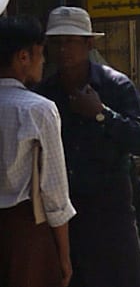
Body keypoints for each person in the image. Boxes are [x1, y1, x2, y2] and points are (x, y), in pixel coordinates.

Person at [37, 7, 140, 287]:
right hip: (66, 214)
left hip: (111, 208)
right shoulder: (44, 94)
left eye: (70, 41)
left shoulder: (115, 86)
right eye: (57, 42)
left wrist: (102, 114)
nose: (63, 50)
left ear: (88, 44)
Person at [1, 15, 75, 287]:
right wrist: (64, 257)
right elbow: (54, 195)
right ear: (23, 57)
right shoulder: (38, 110)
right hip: (24, 234)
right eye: (40, 54)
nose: (43, 62)